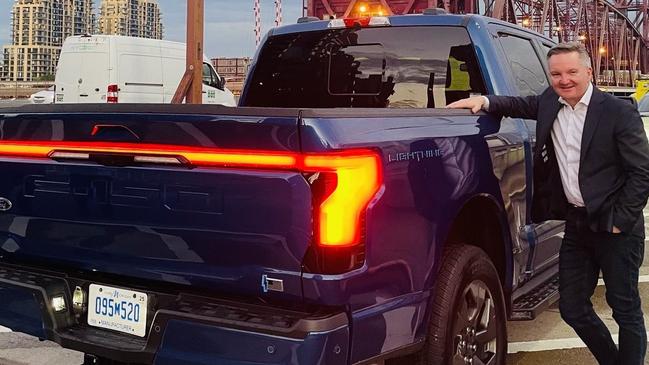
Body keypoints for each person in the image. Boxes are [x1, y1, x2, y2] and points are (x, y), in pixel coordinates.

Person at [447, 42, 649, 365]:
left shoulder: (617, 111)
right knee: (572, 307)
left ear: (588, 71)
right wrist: (483, 100)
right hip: (578, 224)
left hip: (615, 226)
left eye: (571, 72)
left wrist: (620, 220)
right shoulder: (549, 103)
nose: (564, 80)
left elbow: (642, 171)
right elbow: (518, 104)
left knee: (624, 308)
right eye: (556, 74)